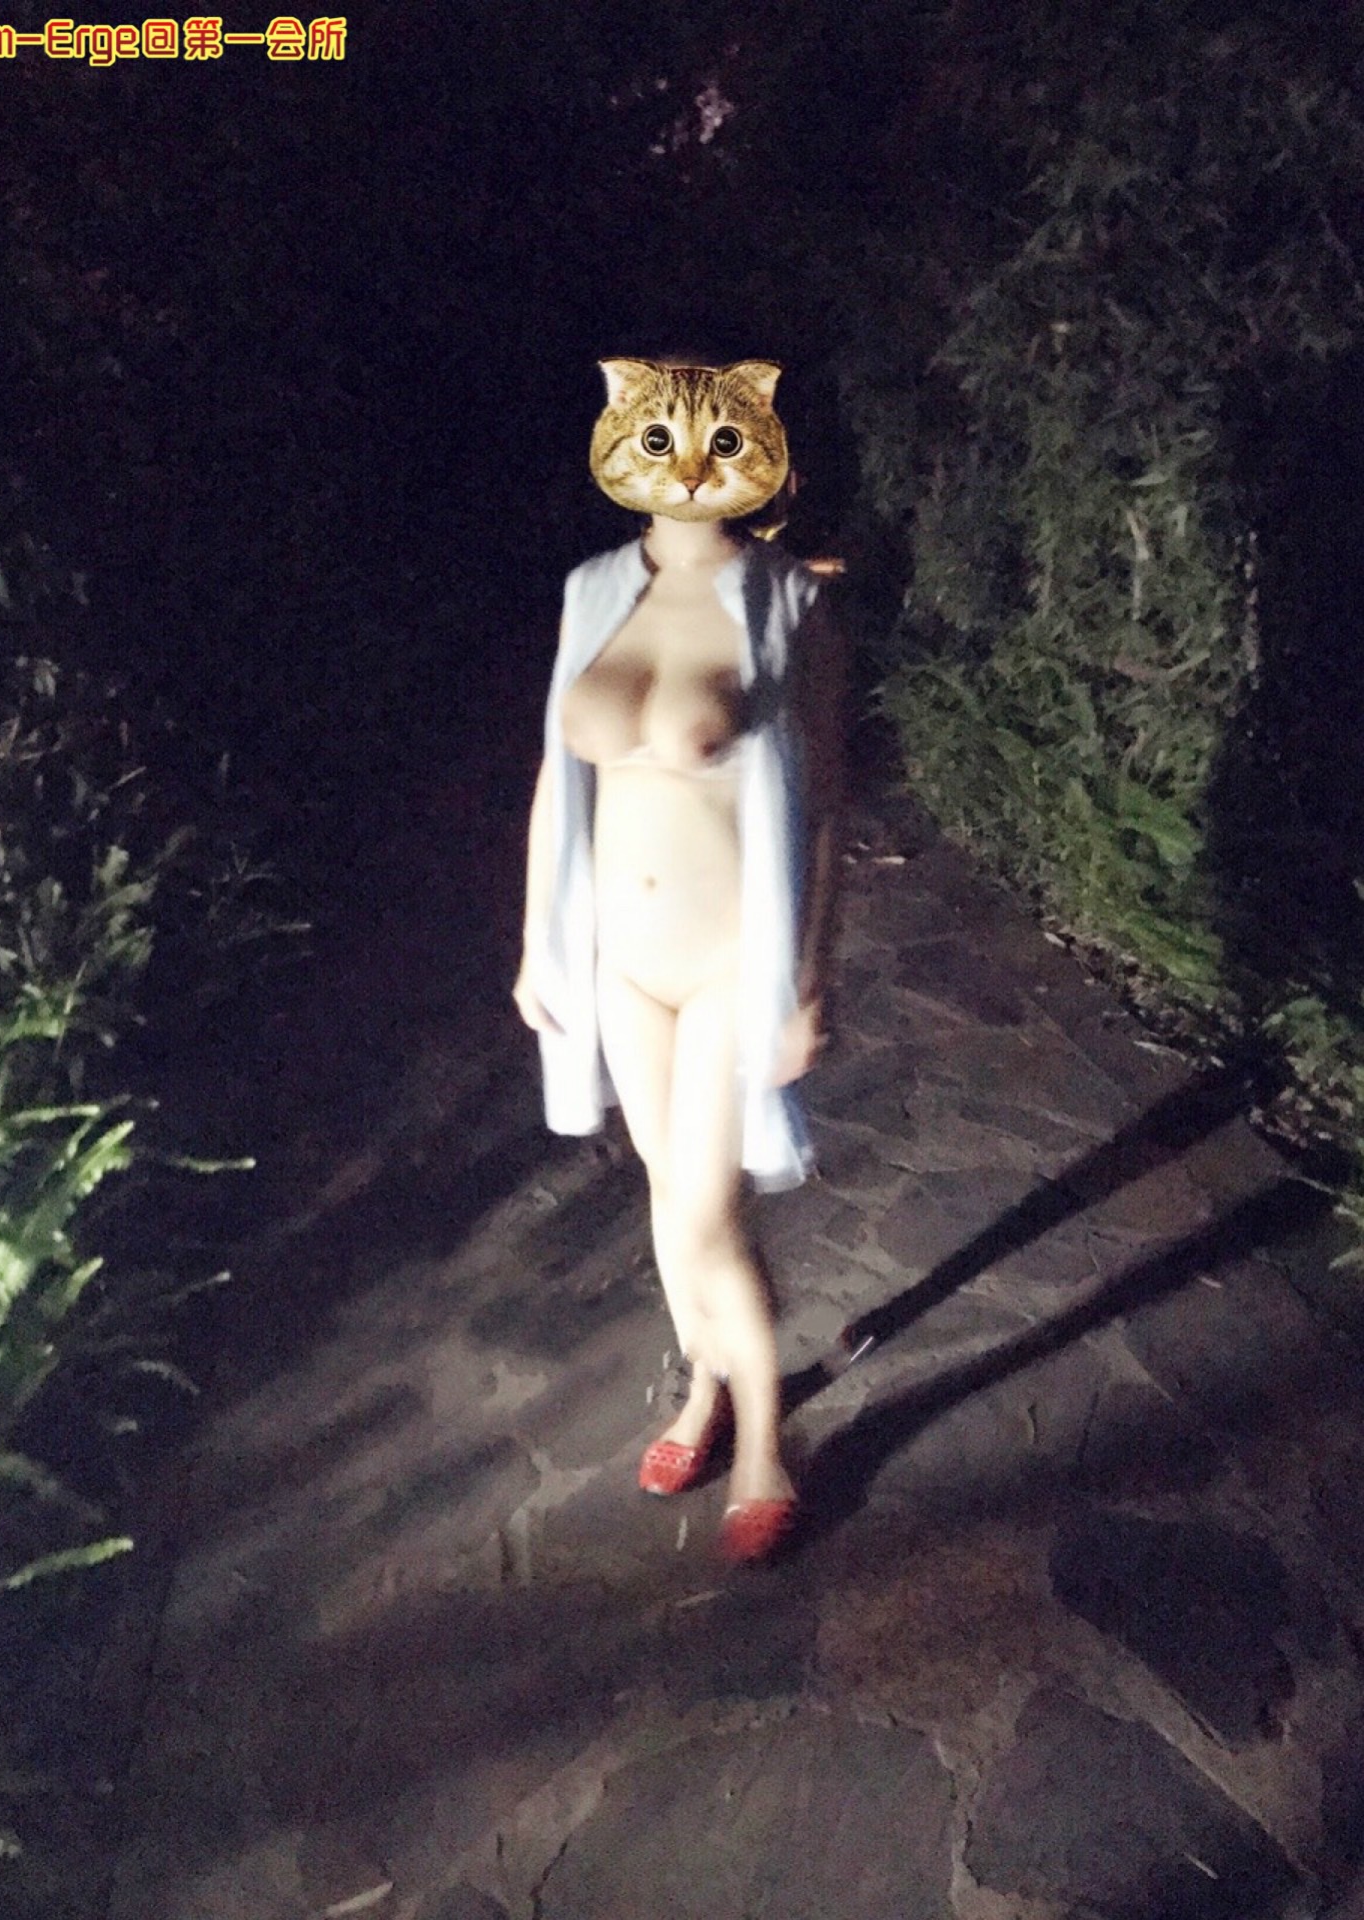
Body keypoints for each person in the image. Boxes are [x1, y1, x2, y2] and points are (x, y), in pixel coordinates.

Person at [512, 355, 845, 1562]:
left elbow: (828, 804)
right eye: (662, 442)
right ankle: (705, 1391)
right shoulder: (592, 590)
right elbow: (556, 775)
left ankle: (763, 1442)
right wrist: (536, 945)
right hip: (620, 963)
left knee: (702, 1212)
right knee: (669, 1198)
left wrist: (809, 979)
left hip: (726, 963)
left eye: (720, 442)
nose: (692, 469)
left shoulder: (788, 602)